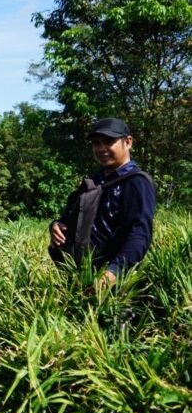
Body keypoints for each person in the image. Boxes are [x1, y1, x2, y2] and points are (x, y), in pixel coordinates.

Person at [50, 118, 156, 288]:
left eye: (108, 142)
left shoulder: (137, 182)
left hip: (113, 280)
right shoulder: (93, 182)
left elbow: (139, 233)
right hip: (81, 276)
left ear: (127, 142)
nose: (101, 148)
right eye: (96, 143)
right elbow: (70, 217)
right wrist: (56, 225)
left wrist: (113, 272)